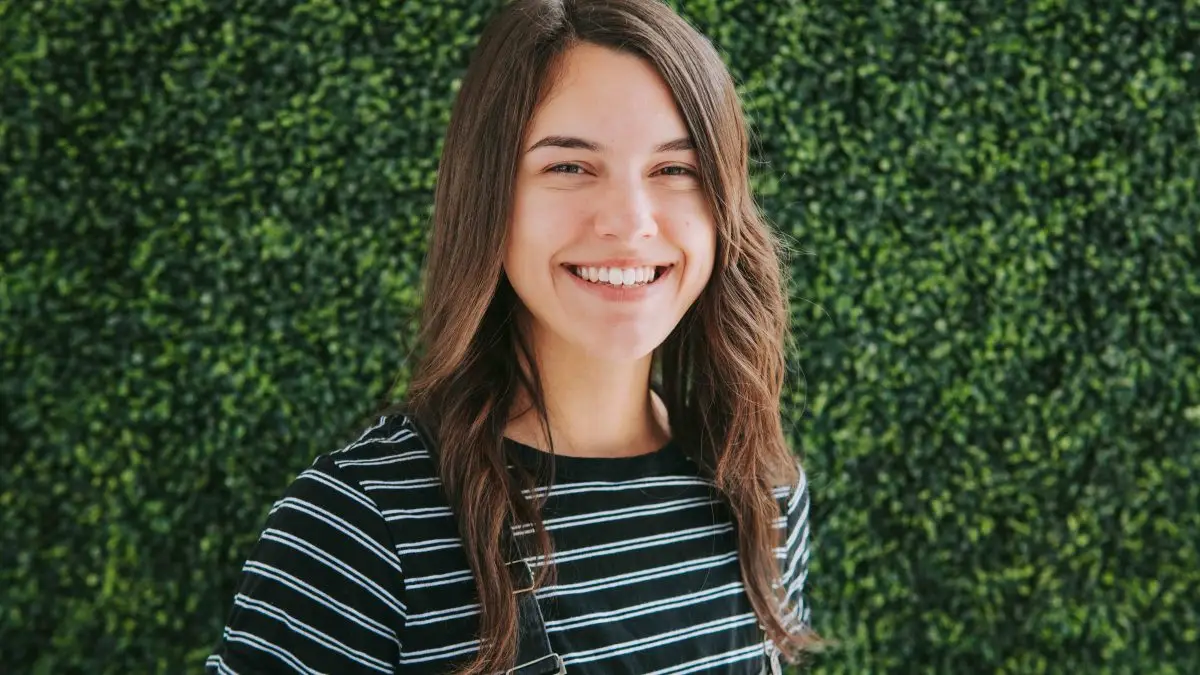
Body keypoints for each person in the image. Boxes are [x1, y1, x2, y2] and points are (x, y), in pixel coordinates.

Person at [205, 0, 821, 672]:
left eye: (677, 169)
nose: (630, 220)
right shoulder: (362, 524)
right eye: (570, 167)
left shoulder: (763, 494)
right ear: (488, 194)